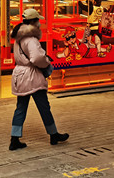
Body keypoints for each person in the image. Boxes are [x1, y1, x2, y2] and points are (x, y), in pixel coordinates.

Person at [9, 8, 69, 150]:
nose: (39, 23)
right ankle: (53, 134)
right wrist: (46, 62)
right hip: (32, 76)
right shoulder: (31, 39)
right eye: (38, 21)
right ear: (34, 22)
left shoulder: (19, 37)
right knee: (44, 107)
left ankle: (14, 139)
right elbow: (36, 58)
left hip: (20, 75)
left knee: (20, 108)